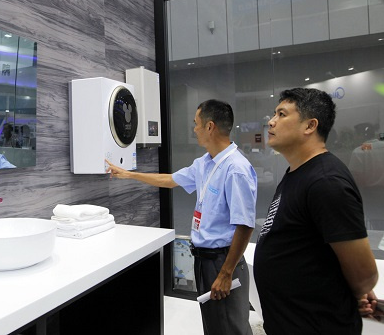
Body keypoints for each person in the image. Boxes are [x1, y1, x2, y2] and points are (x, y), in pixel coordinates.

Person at [106, 99, 257, 335]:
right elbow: (170, 179)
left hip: (223, 261)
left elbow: (245, 226)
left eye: (196, 124)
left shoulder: (235, 168)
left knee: (231, 326)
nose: (194, 129)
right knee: (215, 324)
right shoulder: (205, 164)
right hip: (204, 260)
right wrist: (128, 174)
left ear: (209, 127)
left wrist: (226, 273)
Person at [253, 88, 380, 334]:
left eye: (282, 114)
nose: (271, 121)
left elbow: (365, 276)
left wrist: (354, 290)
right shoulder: (297, 171)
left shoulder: (326, 182)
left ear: (310, 126)